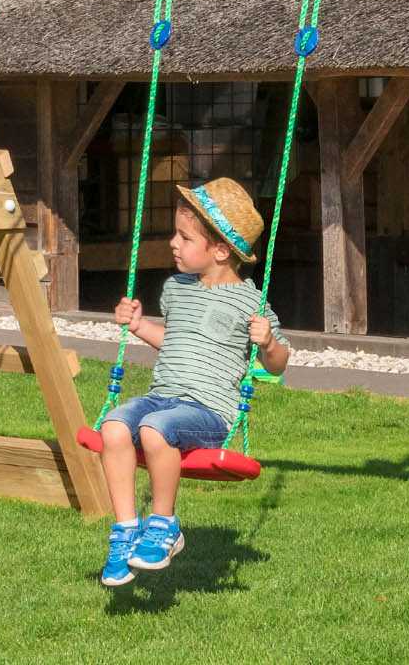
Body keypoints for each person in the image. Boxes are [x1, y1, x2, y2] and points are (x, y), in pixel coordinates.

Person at [99, 177, 290, 587]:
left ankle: (164, 526)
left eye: (185, 238)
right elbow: (174, 342)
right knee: (113, 426)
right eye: (176, 234)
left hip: (208, 413)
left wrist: (269, 342)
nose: (173, 243)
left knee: (154, 431)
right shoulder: (176, 289)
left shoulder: (249, 303)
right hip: (163, 397)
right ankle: (125, 531)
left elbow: (278, 363)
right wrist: (138, 325)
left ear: (220, 250)